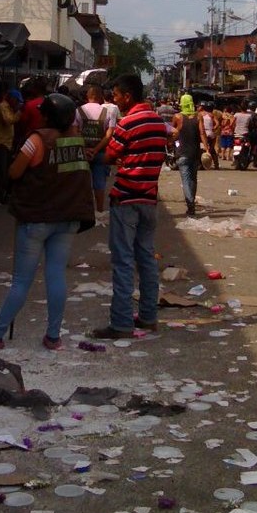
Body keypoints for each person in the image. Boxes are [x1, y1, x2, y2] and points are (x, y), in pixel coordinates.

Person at [0, 93, 95, 352]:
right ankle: (53, 337)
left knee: (21, 280)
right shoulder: (76, 141)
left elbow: (14, 172)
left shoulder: (36, 140)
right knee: (56, 275)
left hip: (36, 219)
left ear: (47, 116)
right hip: (67, 218)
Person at [92, 74, 166, 339]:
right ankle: (148, 317)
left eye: (117, 95)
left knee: (123, 262)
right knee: (145, 258)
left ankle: (121, 323)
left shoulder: (128, 122)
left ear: (128, 96)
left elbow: (110, 155)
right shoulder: (159, 122)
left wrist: (100, 155)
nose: (114, 99)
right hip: (149, 198)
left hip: (126, 197)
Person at [78, 85, 117, 216]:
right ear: (100, 97)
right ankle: (99, 210)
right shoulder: (108, 112)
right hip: (100, 152)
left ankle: (82, 210)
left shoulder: (78, 111)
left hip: (82, 152)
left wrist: (85, 149)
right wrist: (95, 150)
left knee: (81, 181)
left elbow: (74, 131)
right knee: (99, 181)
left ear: (87, 97)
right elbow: (109, 134)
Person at [171, 94, 207, 216]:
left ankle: (190, 204)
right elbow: (202, 133)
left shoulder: (177, 117)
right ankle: (191, 203)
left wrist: (172, 144)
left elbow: (172, 132)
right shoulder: (198, 117)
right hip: (195, 153)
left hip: (182, 153)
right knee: (193, 179)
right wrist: (207, 149)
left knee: (186, 180)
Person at [0, 89, 22, 206]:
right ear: (12, 99)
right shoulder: (3, 107)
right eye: (17, 101)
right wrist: (19, 113)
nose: (17, 104)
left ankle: (0, 194)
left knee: (3, 170)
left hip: (6, 143)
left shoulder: (8, 108)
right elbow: (8, 120)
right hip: (0, 143)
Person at [200, 102, 218, 170]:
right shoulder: (211, 115)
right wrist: (214, 128)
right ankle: (216, 164)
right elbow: (217, 123)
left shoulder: (200, 114)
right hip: (210, 133)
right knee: (212, 149)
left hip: (202, 132)